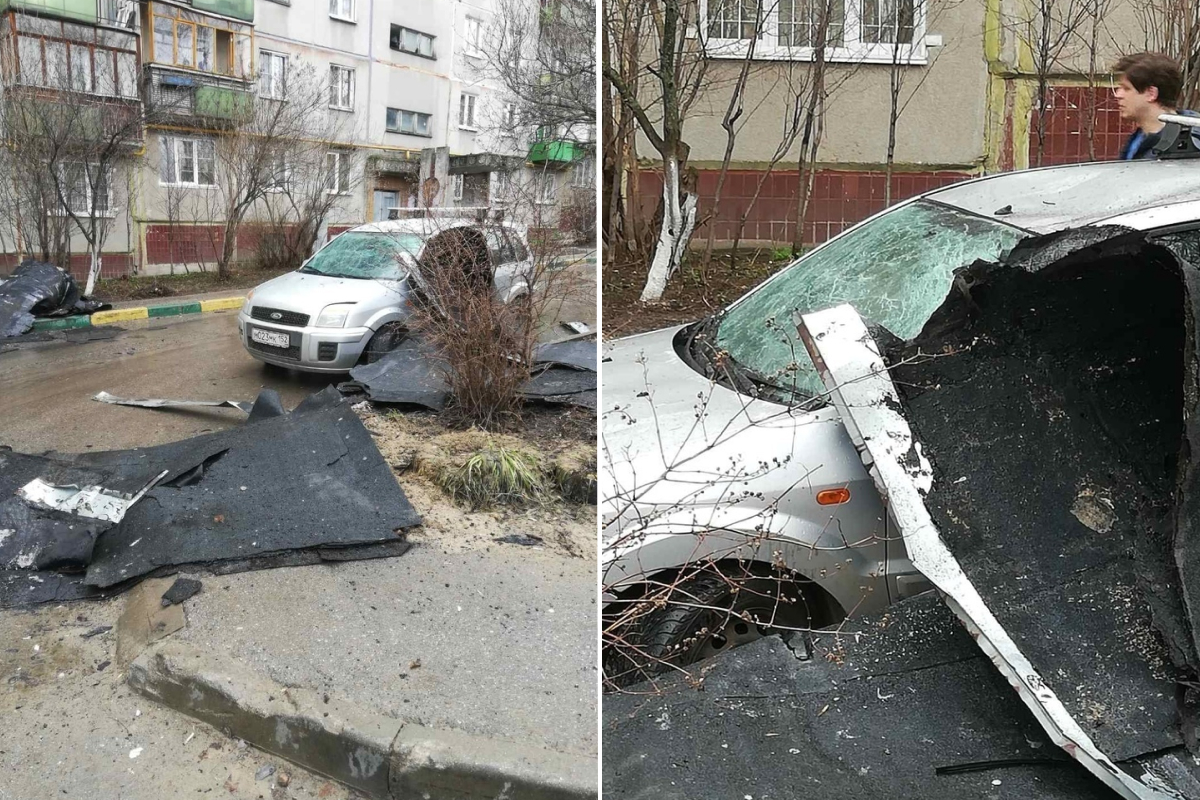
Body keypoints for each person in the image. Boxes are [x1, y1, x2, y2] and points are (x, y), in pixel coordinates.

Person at [1113, 52, 1196, 160]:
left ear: (1151, 94)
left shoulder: (1188, 148)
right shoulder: (1139, 139)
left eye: (1126, 88)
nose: (1117, 95)